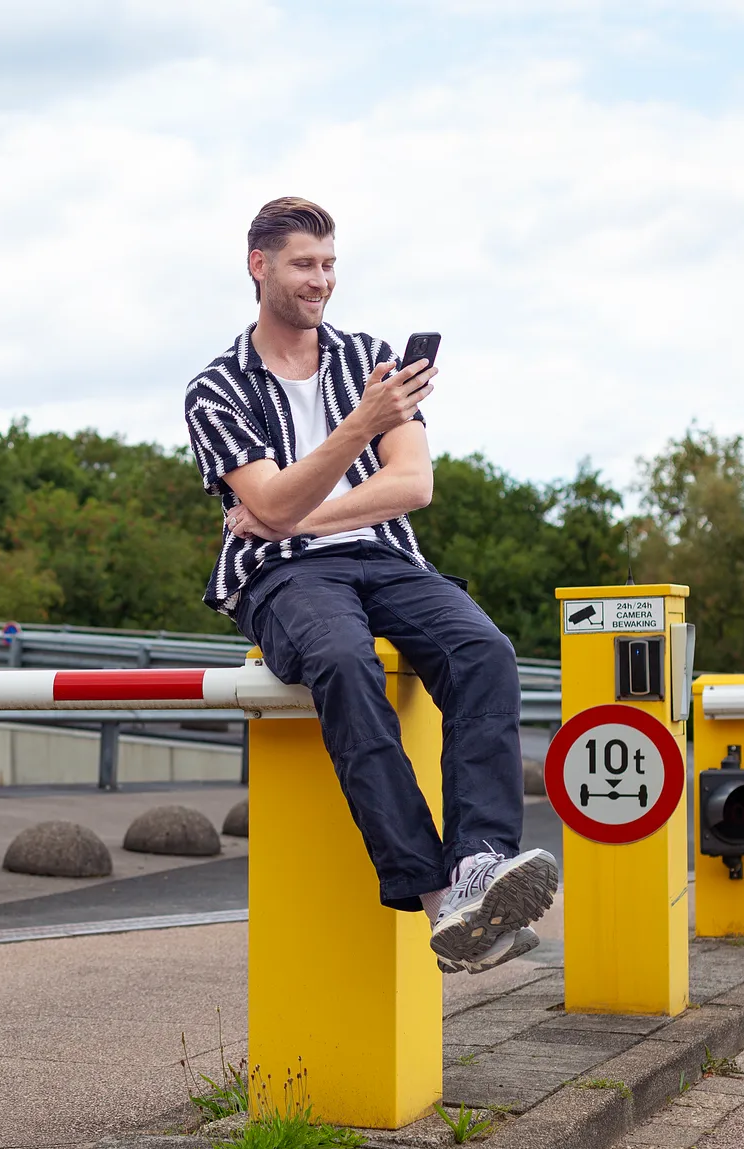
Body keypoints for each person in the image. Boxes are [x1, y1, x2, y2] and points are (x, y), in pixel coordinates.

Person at [184, 196, 556, 974]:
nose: (320, 281)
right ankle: (433, 896)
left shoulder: (371, 360)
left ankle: (481, 863)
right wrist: (353, 434)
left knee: (484, 650)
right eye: (303, 265)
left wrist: (291, 513)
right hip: (283, 578)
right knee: (347, 666)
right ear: (260, 267)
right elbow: (272, 502)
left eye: (328, 265)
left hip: (385, 557)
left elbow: (412, 485)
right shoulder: (214, 390)